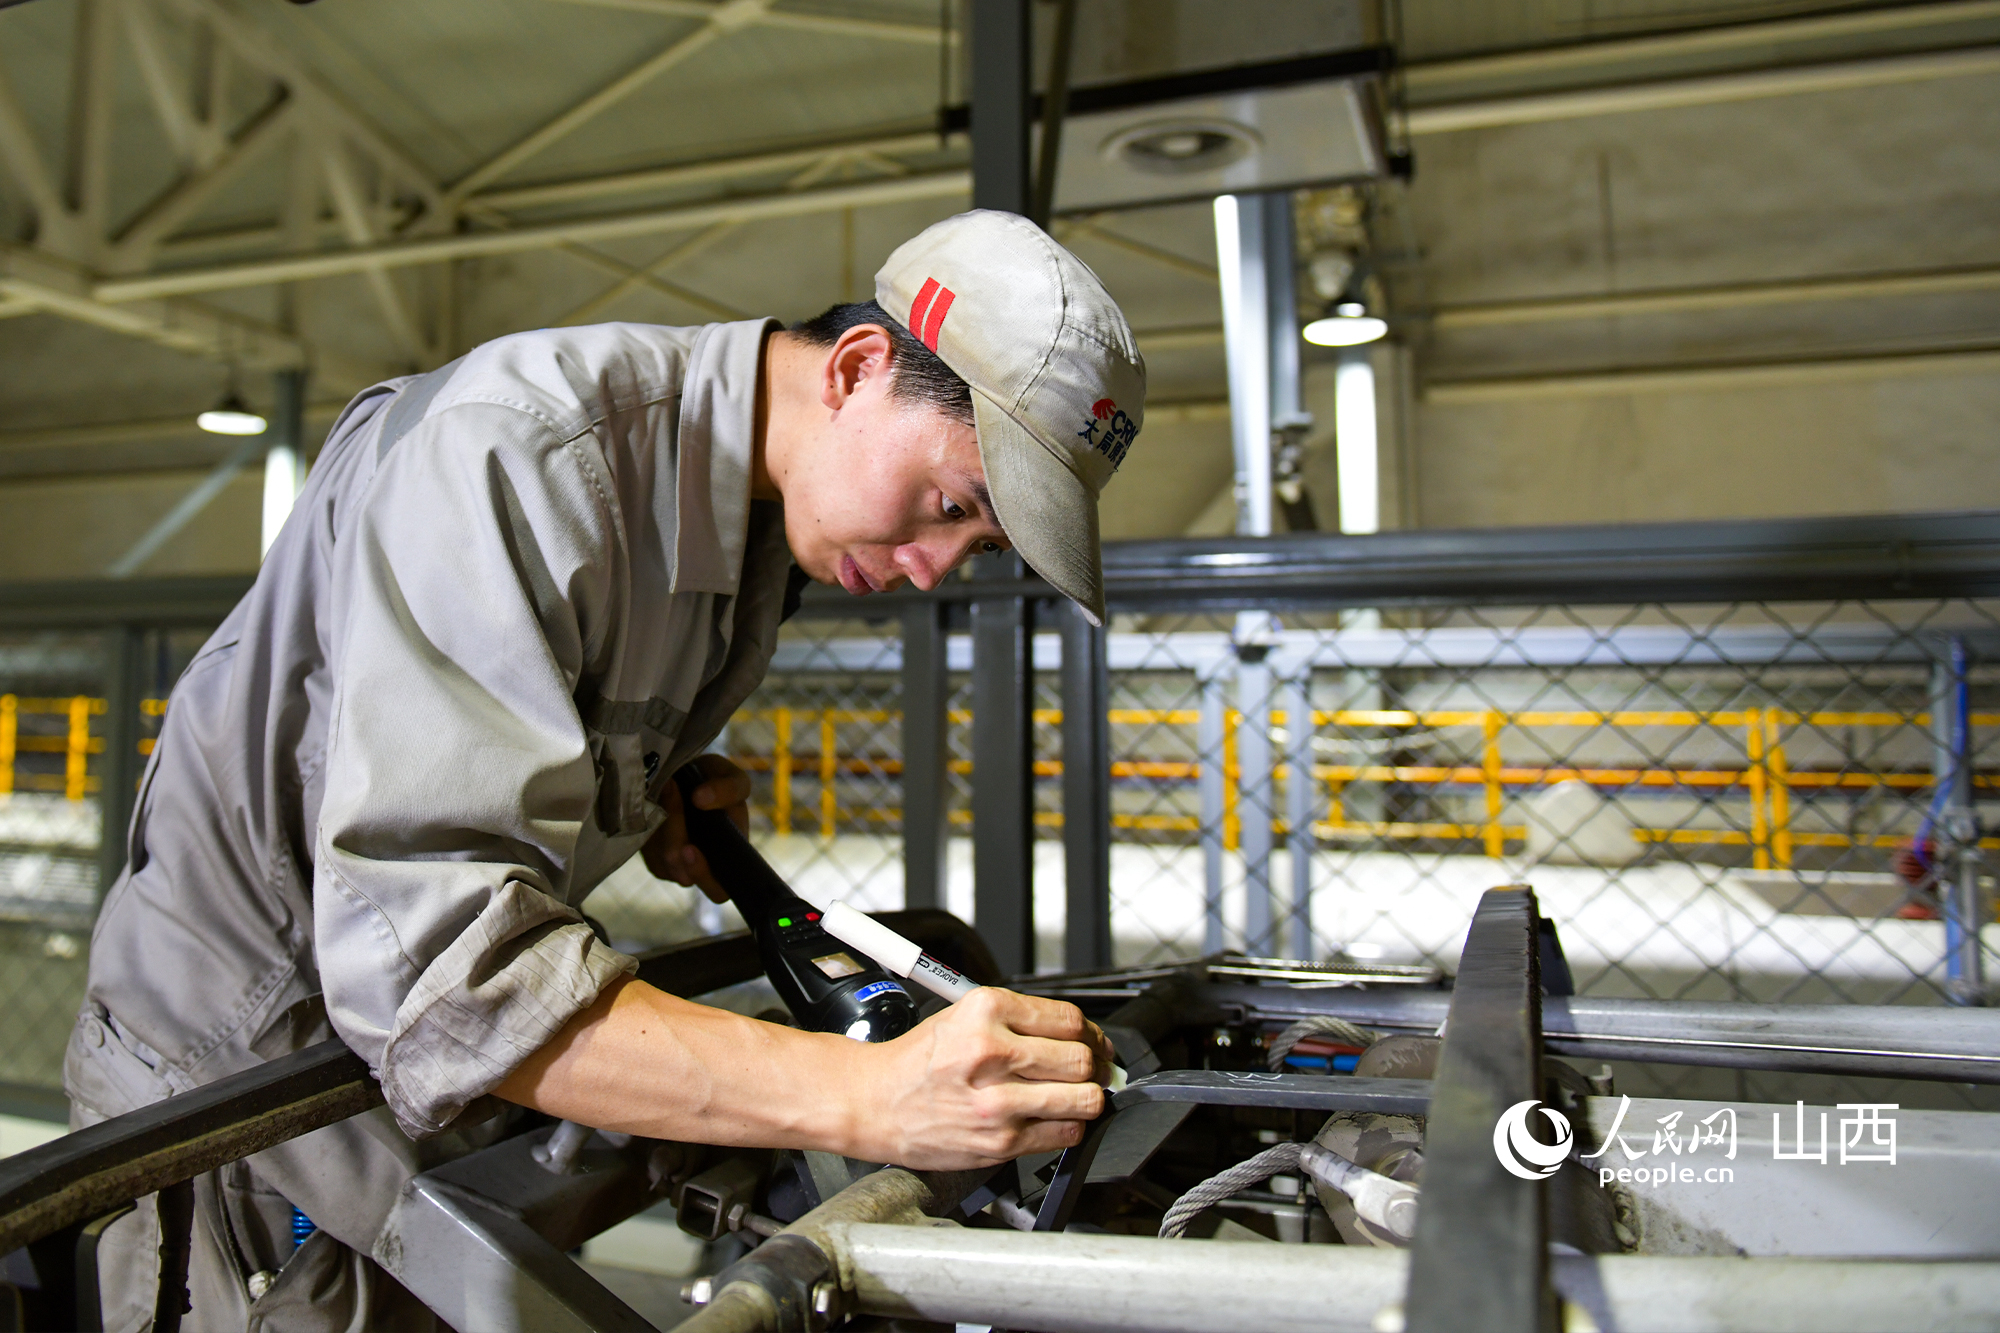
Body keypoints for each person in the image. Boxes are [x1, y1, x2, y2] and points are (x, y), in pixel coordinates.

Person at [67, 209, 1146, 1330]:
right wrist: (869, 1096)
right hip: (238, 1091)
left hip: (392, 1084)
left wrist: (638, 792)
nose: (932, 569)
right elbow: (441, 972)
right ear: (858, 368)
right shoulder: (521, 452)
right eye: (953, 505)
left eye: (972, 547)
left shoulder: (757, 519)